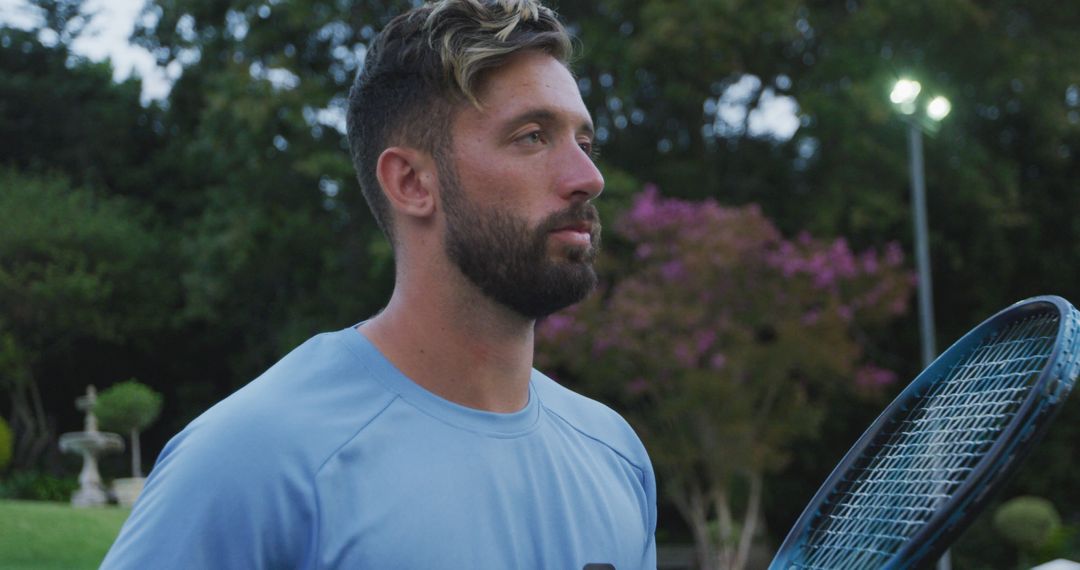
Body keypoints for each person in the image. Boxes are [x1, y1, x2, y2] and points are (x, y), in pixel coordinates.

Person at [101, 0, 657, 568]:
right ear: (412, 182)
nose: (589, 178)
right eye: (533, 136)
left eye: (584, 144)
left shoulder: (615, 456)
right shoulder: (254, 459)